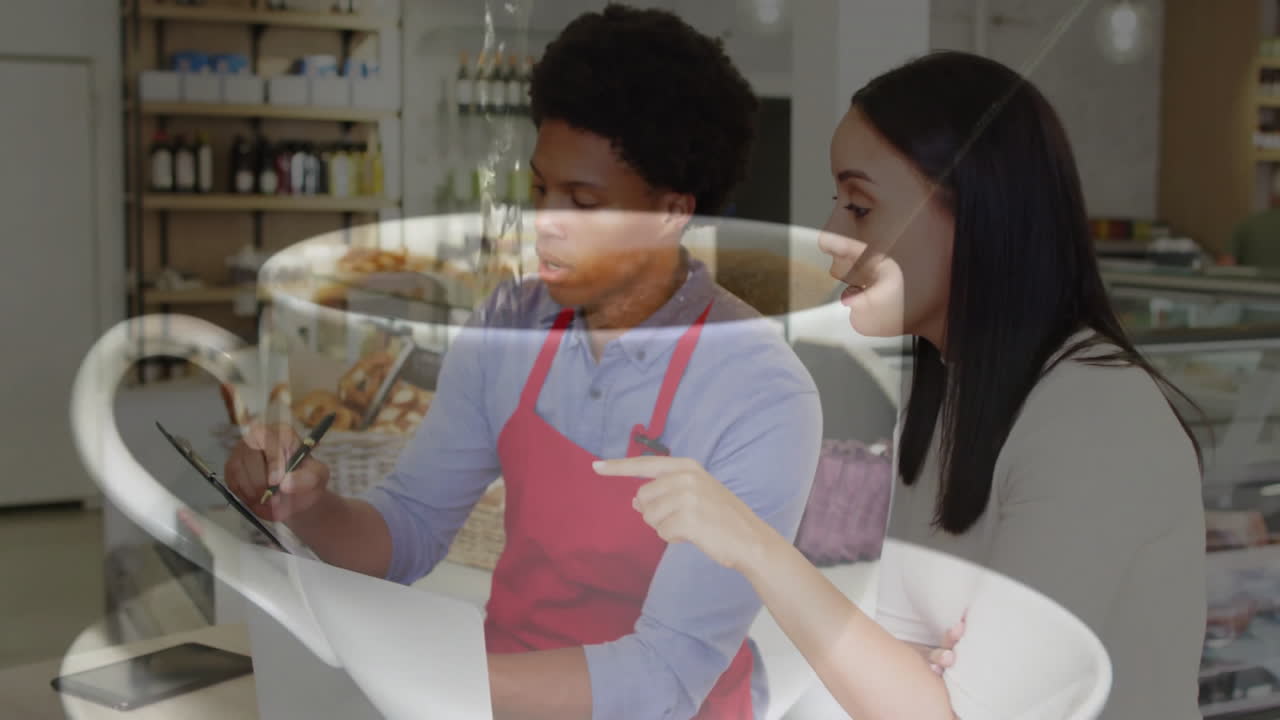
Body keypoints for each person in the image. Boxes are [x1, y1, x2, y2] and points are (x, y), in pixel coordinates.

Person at [225, 5, 822, 720]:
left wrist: (427, 682)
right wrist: (310, 506)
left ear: (670, 213)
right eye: (541, 189)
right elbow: (410, 530)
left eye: (585, 202)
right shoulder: (510, 328)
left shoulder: (758, 391)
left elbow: (664, 677)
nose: (546, 224)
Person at [597, 51, 1207, 719]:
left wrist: (752, 544)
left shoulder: (1094, 418)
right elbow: (893, 665)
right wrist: (916, 675)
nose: (830, 235)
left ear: (978, 211)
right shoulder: (944, 393)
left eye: (859, 206)